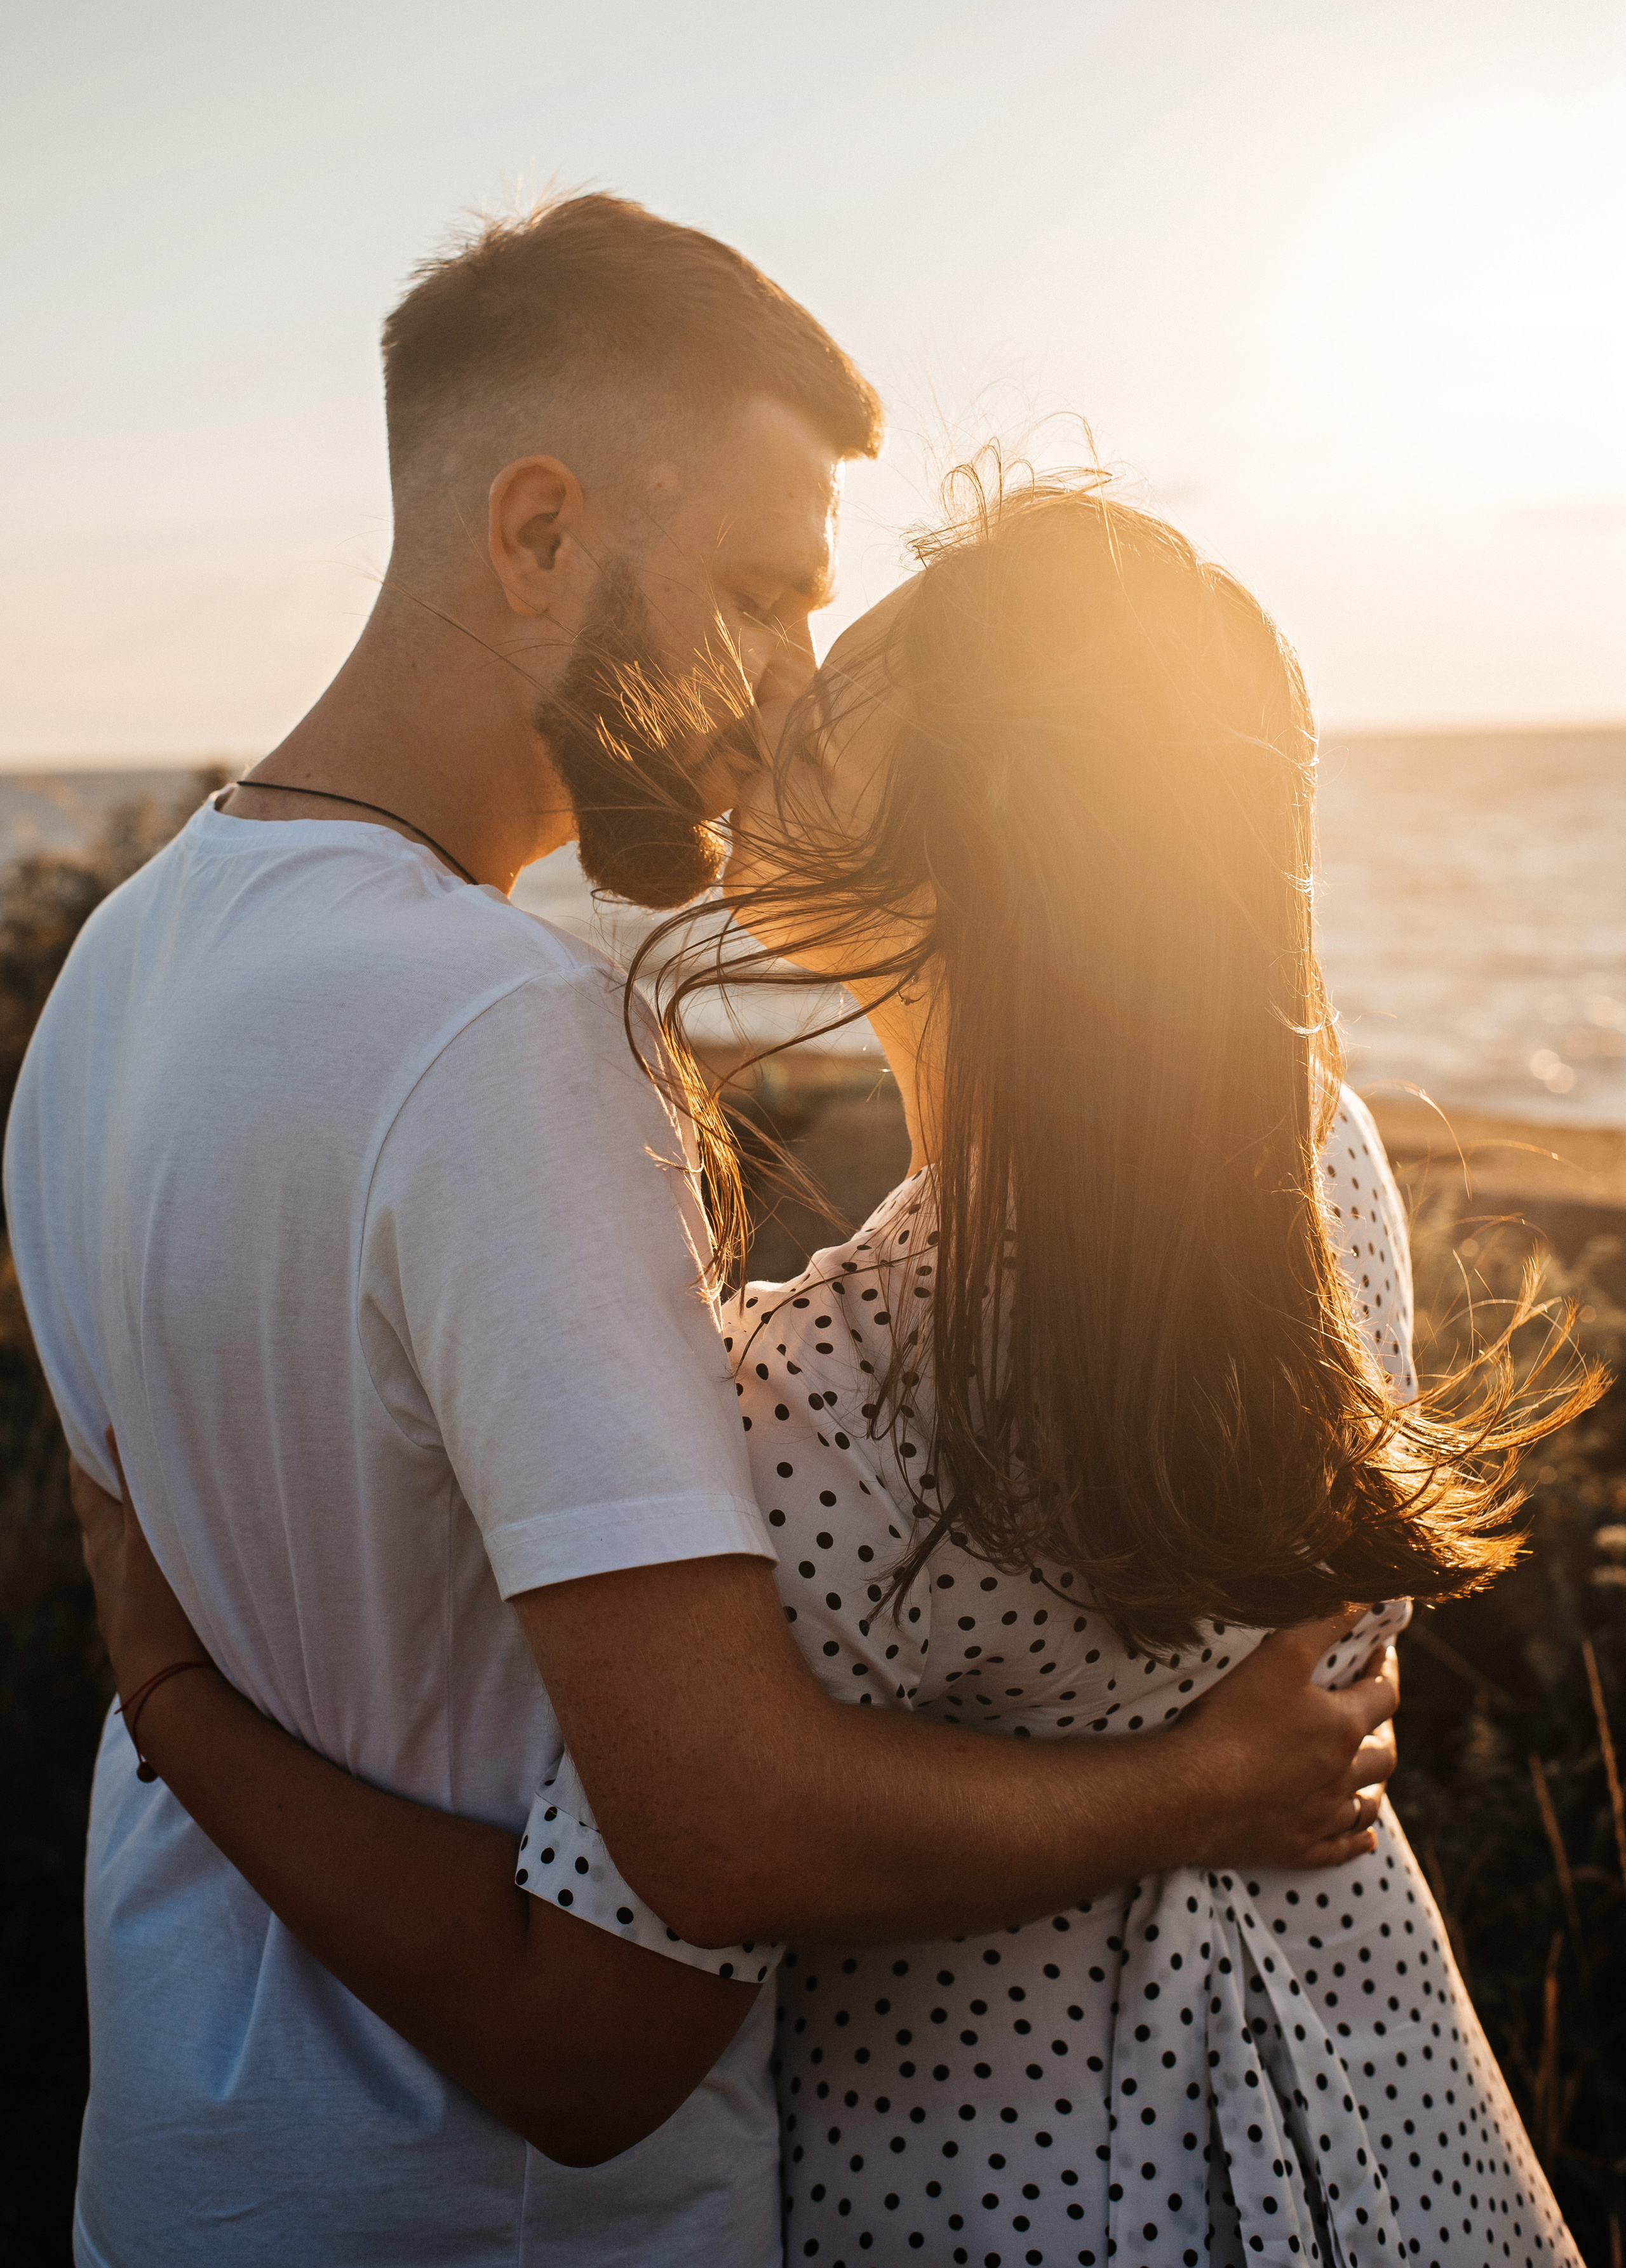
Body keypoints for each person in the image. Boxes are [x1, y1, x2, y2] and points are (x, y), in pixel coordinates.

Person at [4, 201, 1397, 2268]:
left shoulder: (118, 969)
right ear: (539, 531)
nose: (781, 697)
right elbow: (716, 1817)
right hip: (498, 2213)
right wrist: (1194, 1787)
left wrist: (172, 1701)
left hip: (195, 2153)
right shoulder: (498, 1036)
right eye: (761, 593)